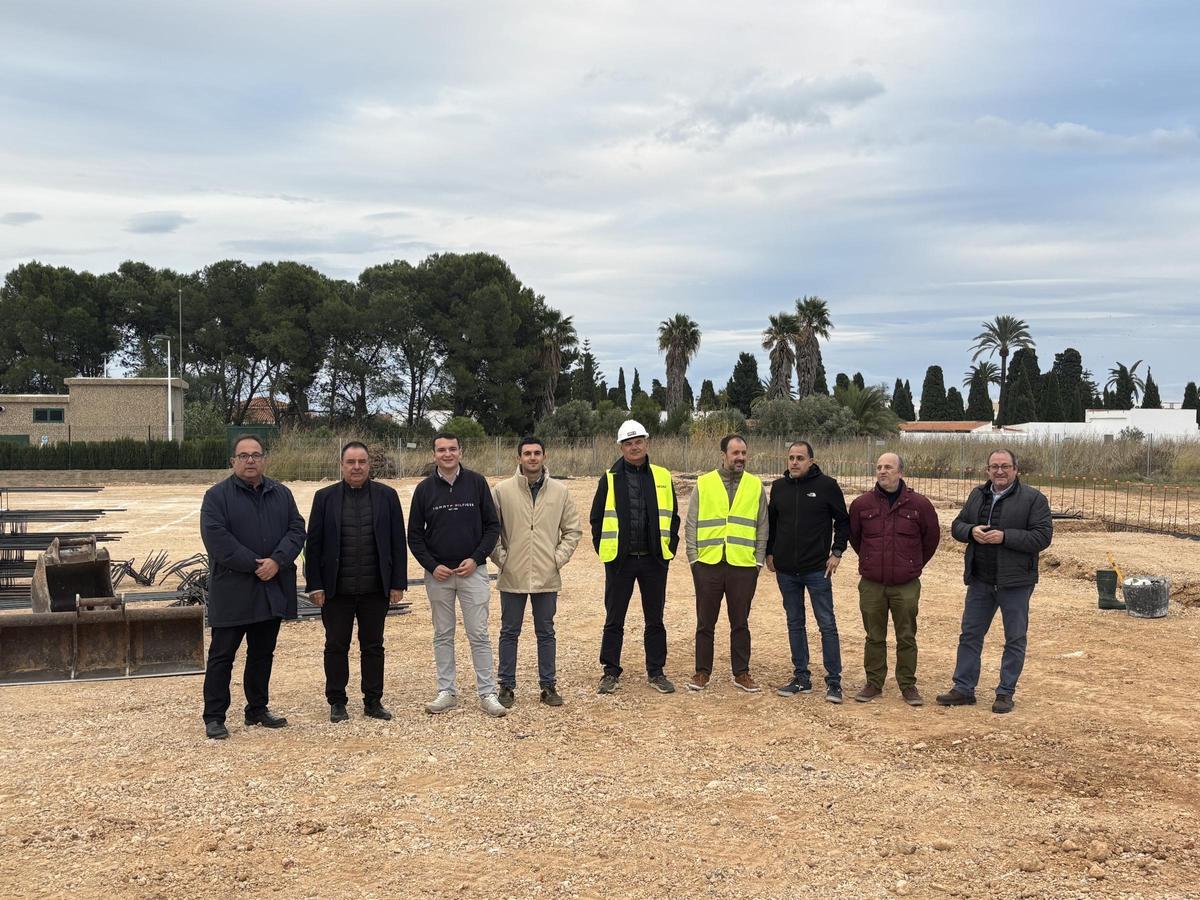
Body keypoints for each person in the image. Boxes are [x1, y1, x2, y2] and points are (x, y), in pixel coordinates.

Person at [199, 434, 305, 739]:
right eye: (243, 455)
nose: (250, 460)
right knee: (222, 655)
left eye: (256, 455)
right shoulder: (216, 497)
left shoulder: (281, 493)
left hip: (271, 588)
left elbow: (297, 529)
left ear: (264, 459)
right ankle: (215, 716)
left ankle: (257, 709)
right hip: (233, 590)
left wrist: (278, 560)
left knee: (262, 653)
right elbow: (218, 540)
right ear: (233, 461)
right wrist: (257, 564)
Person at [937, 449, 1052, 714]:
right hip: (980, 580)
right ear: (987, 470)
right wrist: (970, 531)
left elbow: (1042, 537)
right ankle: (963, 688)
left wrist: (1005, 537)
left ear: (1016, 469)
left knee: (1014, 638)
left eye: (1005, 466)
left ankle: (1005, 692)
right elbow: (957, 525)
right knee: (970, 635)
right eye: (994, 467)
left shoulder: (1033, 499)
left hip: (1015, 582)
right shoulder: (978, 495)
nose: (999, 471)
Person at [304, 441, 408, 723]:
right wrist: (315, 584)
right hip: (336, 591)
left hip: (375, 589)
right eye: (351, 462)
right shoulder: (324, 498)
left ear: (369, 464)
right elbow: (312, 545)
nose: (357, 467)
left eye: (361, 461)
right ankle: (337, 701)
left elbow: (398, 541)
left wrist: (397, 583)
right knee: (336, 645)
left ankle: (373, 701)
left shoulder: (387, 496)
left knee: (373, 646)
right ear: (341, 465)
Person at [407, 432, 506, 718]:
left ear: (461, 451)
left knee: (478, 633)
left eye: (452, 449)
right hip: (438, 575)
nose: (447, 454)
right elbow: (414, 535)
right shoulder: (424, 489)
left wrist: (476, 559)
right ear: (434, 454)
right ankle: (446, 691)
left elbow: (492, 526)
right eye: (441, 450)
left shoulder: (476, 483)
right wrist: (430, 565)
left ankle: (487, 692)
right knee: (443, 634)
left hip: (473, 573)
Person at [589, 419, 681, 695]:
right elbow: (596, 520)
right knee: (614, 618)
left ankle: (656, 672)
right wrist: (607, 552)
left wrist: (669, 548)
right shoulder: (610, 478)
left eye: (638, 441)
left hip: (654, 560)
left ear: (647, 442)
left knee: (655, 619)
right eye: (628, 443)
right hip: (621, 562)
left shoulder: (663, 477)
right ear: (621, 447)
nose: (634, 447)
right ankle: (610, 671)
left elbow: (673, 516)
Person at [490, 436, 582, 708]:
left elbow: (573, 530)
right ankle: (506, 687)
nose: (532, 457)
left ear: (544, 456)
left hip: (546, 575)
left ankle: (548, 686)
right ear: (518, 458)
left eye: (537, 453)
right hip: (512, 574)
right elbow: (490, 530)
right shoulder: (502, 491)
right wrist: (502, 559)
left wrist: (557, 559)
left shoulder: (559, 491)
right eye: (527, 453)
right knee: (509, 632)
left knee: (546, 632)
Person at [848, 452, 939, 706]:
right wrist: (871, 562)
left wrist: (912, 565)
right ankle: (874, 683)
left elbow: (930, 539)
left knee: (906, 636)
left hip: (906, 585)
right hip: (872, 584)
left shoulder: (919, 505)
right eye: (878, 467)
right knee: (873, 636)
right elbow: (856, 539)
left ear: (900, 472)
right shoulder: (861, 505)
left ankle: (908, 685)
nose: (882, 471)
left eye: (888, 467)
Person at [766, 440, 849, 704]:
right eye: (791, 457)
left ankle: (834, 682)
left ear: (811, 461)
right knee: (794, 623)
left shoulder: (827, 486)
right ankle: (801, 678)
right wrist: (770, 553)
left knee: (827, 624)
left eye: (800, 458)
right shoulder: (778, 488)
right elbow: (772, 523)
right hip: (786, 571)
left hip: (817, 570)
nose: (794, 462)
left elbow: (844, 521)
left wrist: (837, 552)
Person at [684, 433, 768, 692]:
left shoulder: (755, 485)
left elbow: (762, 525)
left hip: (743, 566)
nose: (740, 458)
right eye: (735, 453)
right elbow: (692, 523)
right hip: (708, 563)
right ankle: (702, 672)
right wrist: (694, 560)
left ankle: (741, 673)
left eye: (744, 453)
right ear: (724, 455)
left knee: (740, 622)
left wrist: (758, 563)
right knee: (705, 621)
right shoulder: (705, 482)